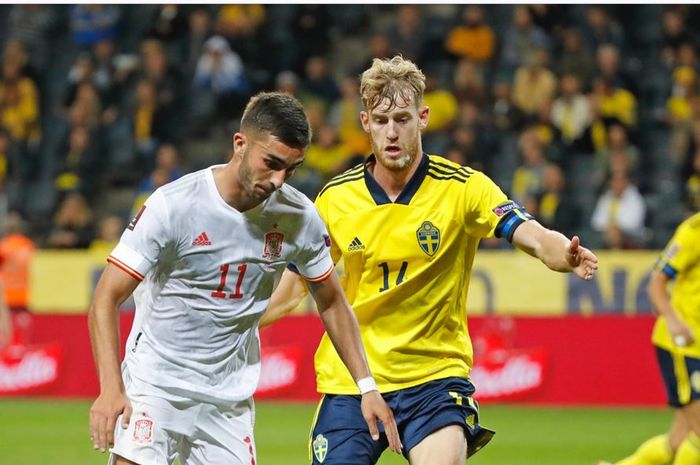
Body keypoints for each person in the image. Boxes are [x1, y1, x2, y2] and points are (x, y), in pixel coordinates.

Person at [262, 56, 599, 465]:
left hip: (434, 380)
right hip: (354, 379)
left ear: (423, 118)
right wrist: (241, 320)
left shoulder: (463, 188)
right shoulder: (335, 199)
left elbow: (529, 232)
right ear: (365, 122)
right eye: (382, 120)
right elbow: (295, 287)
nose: (392, 132)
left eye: (402, 119)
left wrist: (561, 254)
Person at [88, 91, 401, 465]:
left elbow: (331, 300)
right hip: (154, 388)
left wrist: (366, 387)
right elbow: (105, 299)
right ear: (240, 144)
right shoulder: (173, 206)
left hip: (228, 402)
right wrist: (110, 388)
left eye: (292, 168)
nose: (279, 179)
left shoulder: (298, 217)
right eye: (271, 162)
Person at [598, 212, 700, 465]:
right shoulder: (694, 231)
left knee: (679, 439)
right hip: (684, 346)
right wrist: (674, 321)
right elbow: (656, 282)